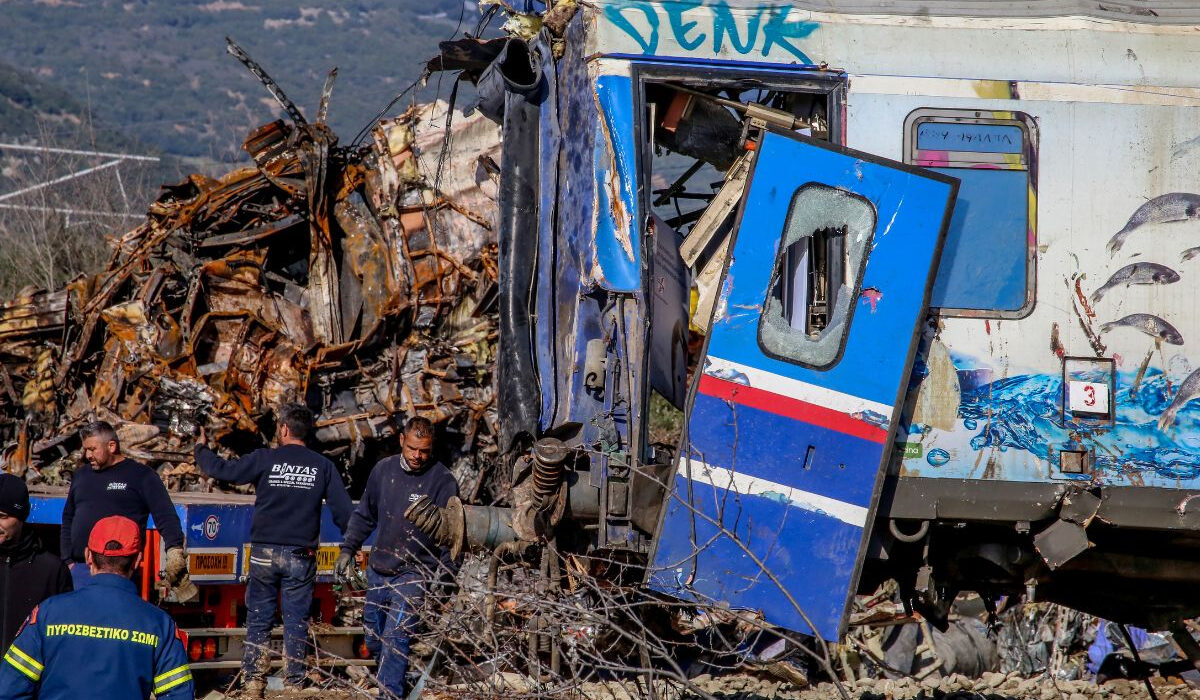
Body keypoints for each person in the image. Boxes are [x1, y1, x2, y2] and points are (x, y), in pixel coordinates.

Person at [195, 403, 353, 696]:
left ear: (283, 429)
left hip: (264, 553)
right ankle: (294, 683)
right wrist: (351, 547)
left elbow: (222, 470)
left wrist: (201, 449)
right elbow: (344, 513)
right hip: (300, 555)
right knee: (296, 621)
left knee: (259, 617)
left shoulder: (265, 459)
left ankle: (254, 682)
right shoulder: (322, 466)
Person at [0, 515, 193, 699]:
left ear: (88, 556)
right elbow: (178, 694)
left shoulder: (47, 614)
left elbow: (9, 689)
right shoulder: (159, 624)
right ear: (137, 560)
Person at [335, 416, 459, 698]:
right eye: (413, 448)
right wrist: (347, 549)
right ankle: (394, 679)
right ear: (402, 441)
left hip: (415, 573)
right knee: (373, 637)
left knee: (396, 637)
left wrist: (447, 577)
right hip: (380, 569)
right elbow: (365, 515)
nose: (418, 456)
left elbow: (453, 536)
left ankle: (388, 693)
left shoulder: (443, 480)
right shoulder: (383, 470)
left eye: (424, 450)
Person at [61, 421, 188, 592]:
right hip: (81, 570)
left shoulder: (141, 476)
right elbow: (68, 516)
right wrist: (68, 560)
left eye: (92, 449)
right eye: (85, 450)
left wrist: (174, 549)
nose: (87, 455)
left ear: (111, 446)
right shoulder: (82, 475)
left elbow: (165, 514)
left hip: (119, 571)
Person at [0, 474, 72, 652]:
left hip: (27, 677)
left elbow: (63, 636)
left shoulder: (52, 570)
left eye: (3, 517)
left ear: (21, 516)